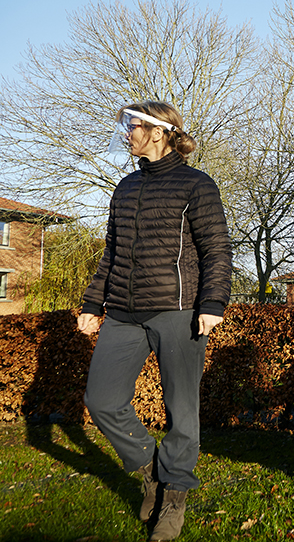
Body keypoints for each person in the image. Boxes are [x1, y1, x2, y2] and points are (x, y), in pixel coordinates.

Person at [78, 101, 232, 542]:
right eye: (126, 128)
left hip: (178, 311)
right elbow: (112, 253)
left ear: (160, 133)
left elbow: (217, 251)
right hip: (123, 315)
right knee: (102, 399)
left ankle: (175, 497)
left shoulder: (197, 185)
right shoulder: (124, 188)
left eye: (135, 127)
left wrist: (213, 303)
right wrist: (93, 303)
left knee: (182, 413)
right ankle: (153, 472)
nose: (127, 134)